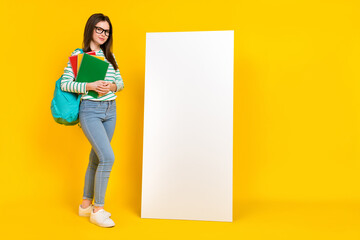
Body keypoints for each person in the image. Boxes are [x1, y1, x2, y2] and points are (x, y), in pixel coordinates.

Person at [60, 13, 124, 228]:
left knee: (96, 159)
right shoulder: (79, 56)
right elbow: (66, 84)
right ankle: (98, 210)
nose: (103, 34)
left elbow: (121, 83)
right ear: (90, 29)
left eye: (107, 31)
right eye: (99, 29)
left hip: (111, 110)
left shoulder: (110, 57)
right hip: (91, 110)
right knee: (107, 157)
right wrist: (91, 86)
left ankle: (85, 205)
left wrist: (110, 86)